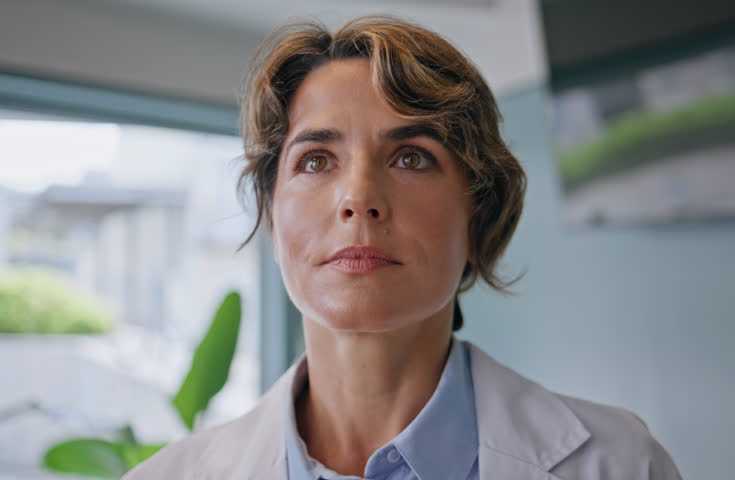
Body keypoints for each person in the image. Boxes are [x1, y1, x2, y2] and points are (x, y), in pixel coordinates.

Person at [124, 15, 682, 480]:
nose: (359, 198)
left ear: (479, 215)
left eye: (411, 158)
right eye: (316, 160)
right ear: (272, 213)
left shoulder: (624, 464)